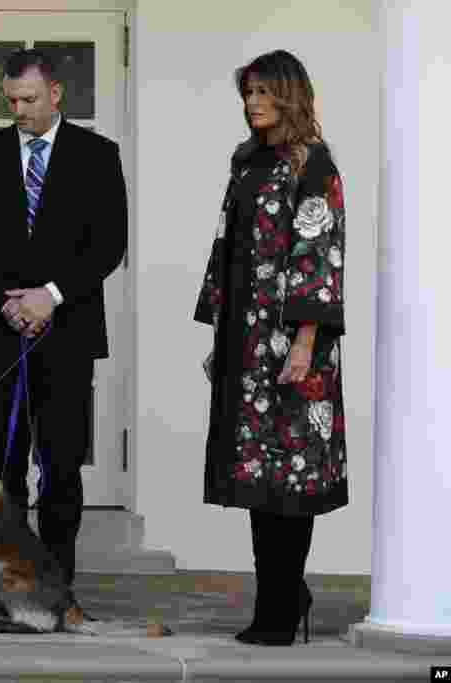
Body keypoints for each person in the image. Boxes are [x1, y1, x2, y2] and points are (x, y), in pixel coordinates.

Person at [0, 49, 127, 614]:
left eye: (27, 100)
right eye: (11, 102)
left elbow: (108, 242)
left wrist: (49, 296)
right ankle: (2, 588)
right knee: (0, 468)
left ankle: (56, 588)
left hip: (67, 334)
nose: (18, 110)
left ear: (55, 94)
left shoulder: (98, 156)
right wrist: (8, 301)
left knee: (62, 464)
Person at [194, 49, 348, 646]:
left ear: (289, 94)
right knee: (258, 477)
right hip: (244, 341)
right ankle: (277, 600)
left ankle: (283, 608)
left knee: (293, 477)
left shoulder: (315, 164)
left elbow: (318, 254)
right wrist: (219, 332)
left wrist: (306, 343)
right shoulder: (246, 161)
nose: (253, 103)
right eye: (248, 93)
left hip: (292, 346)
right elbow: (225, 246)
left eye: (263, 92)